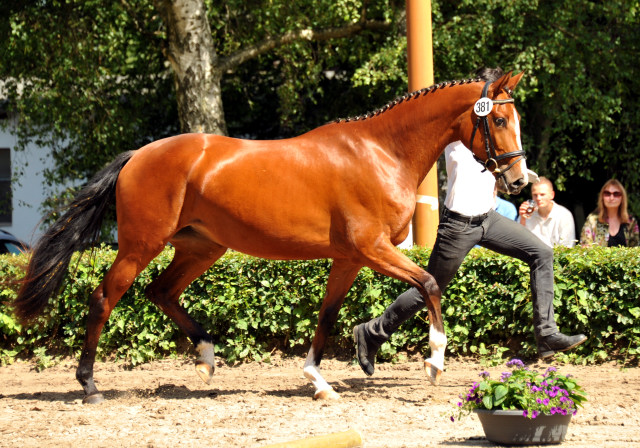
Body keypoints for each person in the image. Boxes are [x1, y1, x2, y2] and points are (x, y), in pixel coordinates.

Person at [353, 68, 586, 376]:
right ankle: (372, 332)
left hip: (489, 217)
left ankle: (546, 334)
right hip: (458, 225)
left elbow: (497, 173)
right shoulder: (456, 129)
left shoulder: (492, 127)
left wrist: (517, 179)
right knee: (428, 288)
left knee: (542, 253)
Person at [518, 177, 576, 248]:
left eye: (542, 194)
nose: (538, 198)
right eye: (535, 195)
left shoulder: (564, 215)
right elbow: (519, 243)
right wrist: (522, 219)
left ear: (552, 195)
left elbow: (567, 247)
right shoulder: (527, 214)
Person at [579, 179, 639, 247]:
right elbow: (585, 247)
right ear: (602, 197)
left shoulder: (630, 222)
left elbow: (636, 250)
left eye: (616, 194)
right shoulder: (592, 220)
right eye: (607, 194)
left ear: (622, 198)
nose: (611, 198)